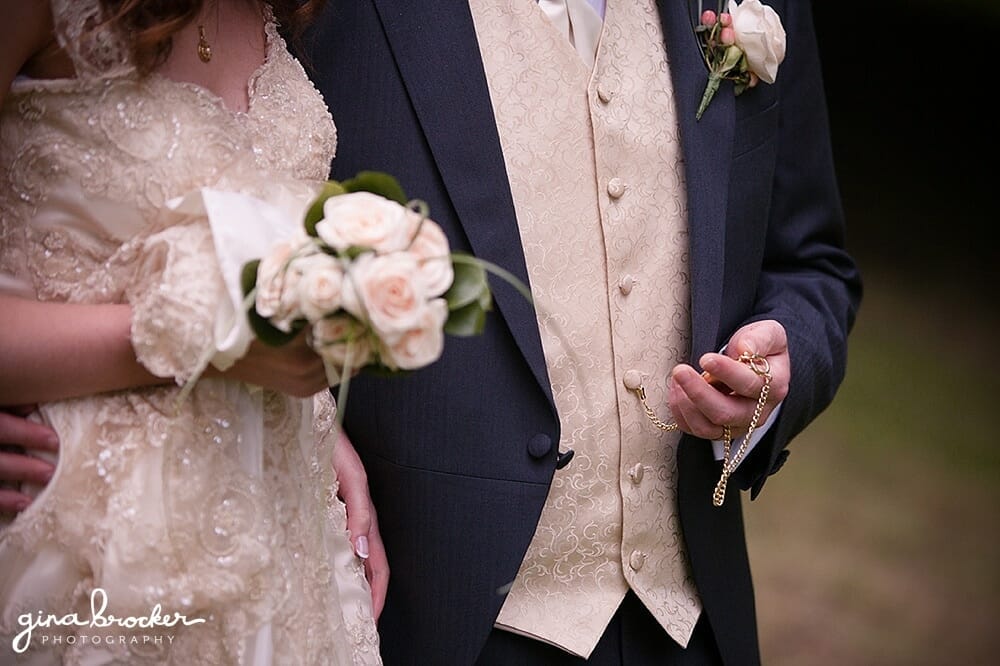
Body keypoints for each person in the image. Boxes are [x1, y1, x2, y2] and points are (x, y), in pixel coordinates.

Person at [300, 0, 861, 664]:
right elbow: (238, 240)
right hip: (435, 608)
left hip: (690, 620)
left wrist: (783, 358)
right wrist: (310, 427)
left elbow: (812, 264)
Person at [0, 1, 383, 663]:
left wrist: (314, 417)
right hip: (99, 553)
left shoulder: (264, 8)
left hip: (291, 550)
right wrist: (208, 341)